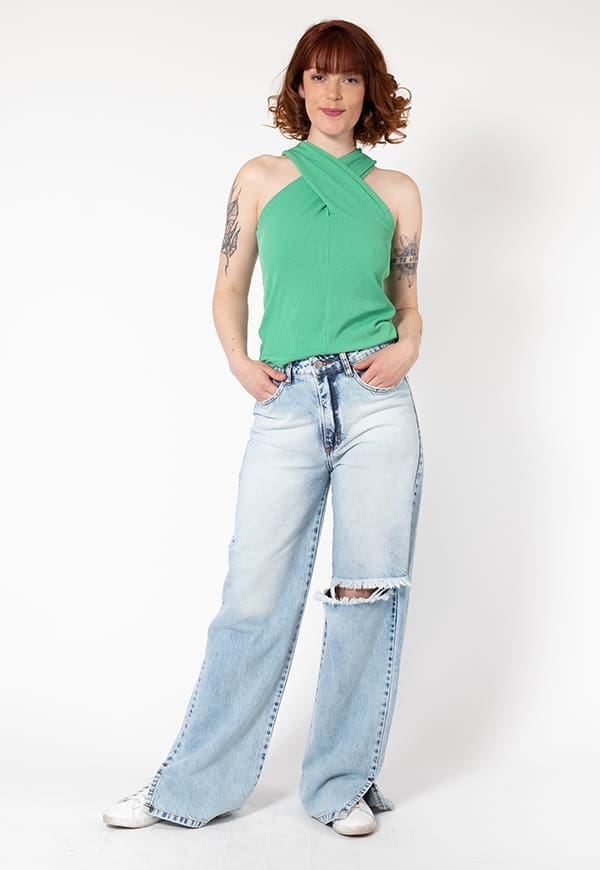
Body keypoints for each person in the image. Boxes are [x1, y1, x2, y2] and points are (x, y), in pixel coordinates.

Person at [103, 18, 424, 838]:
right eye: (318, 76)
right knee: (252, 597)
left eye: (349, 77)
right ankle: (190, 786)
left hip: (376, 403)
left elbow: (408, 302)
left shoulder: (397, 192)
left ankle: (341, 785)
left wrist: (408, 345)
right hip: (286, 403)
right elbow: (227, 287)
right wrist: (239, 361)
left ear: (369, 90)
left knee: (365, 595)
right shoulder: (260, 177)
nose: (333, 92)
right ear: (298, 87)